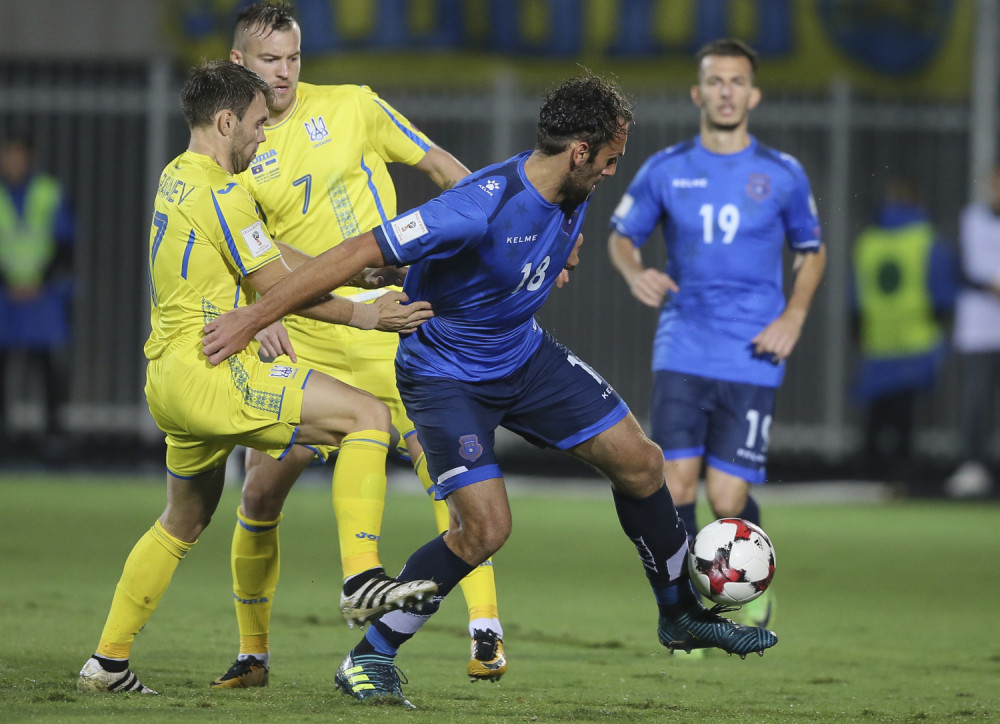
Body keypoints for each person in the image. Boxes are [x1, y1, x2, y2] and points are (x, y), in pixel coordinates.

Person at [202, 72, 778, 709]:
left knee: (643, 462)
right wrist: (255, 316)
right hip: (446, 376)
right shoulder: (479, 204)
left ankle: (679, 614)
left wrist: (559, 253)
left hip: (522, 354)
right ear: (579, 152)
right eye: (611, 159)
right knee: (484, 529)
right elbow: (355, 252)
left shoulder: (567, 185)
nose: (615, 172)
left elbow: (535, 238)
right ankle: (369, 657)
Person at [76, 60, 435, 695]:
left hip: (168, 378)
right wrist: (364, 314)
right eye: (257, 125)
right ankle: (361, 579)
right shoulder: (226, 192)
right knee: (367, 417)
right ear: (224, 121)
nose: (264, 137)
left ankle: (107, 662)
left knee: (182, 518)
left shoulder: (179, 178)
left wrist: (358, 272)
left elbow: (263, 256)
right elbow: (276, 288)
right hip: (214, 372)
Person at [211, 1, 507, 690]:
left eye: (293, 58)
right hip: (306, 334)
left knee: (446, 471)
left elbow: (437, 164)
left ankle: (485, 630)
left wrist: (494, 227)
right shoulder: (234, 146)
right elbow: (246, 247)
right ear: (239, 66)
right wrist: (265, 307)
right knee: (259, 492)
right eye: (270, 61)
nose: (284, 73)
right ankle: (253, 655)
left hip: (386, 322)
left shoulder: (353, 105)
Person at [607, 38, 826, 631]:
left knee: (727, 499)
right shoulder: (667, 169)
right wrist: (635, 272)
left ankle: (748, 596)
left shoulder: (781, 174)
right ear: (697, 92)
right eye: (715, 81)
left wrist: (794, 318)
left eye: (736, 81)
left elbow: (812, 252)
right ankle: (690, 612)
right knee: (675, 484)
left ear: (752, 93)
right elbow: (621, 237)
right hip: (684, 345)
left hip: (753, 352)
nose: (726, 91)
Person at [850, 176, 957, 484]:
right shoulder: (926, 239)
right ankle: (901, 479)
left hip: (877, 339)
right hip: (915, 339)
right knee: (905, 416)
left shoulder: (870, 240)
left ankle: (866, 476)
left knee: (876, 413)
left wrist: (858, 330)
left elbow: (856, 293)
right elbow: (941, 292)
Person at [0, 134, 74, 446]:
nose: (11, 163)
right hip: (6, 292)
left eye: (16, 156)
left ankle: (53, 435)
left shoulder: (47, 193)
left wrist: (38, 281)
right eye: (6, 156)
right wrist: (10, 281)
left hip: (42, 293)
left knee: (48, 364)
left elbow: (65, 243)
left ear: (29, 158)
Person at [945, 162, 1000, 498]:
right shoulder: (972, 219)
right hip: (980, 326)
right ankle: (974, 465)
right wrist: (988, 286)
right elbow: (959, 268)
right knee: (977, 400)